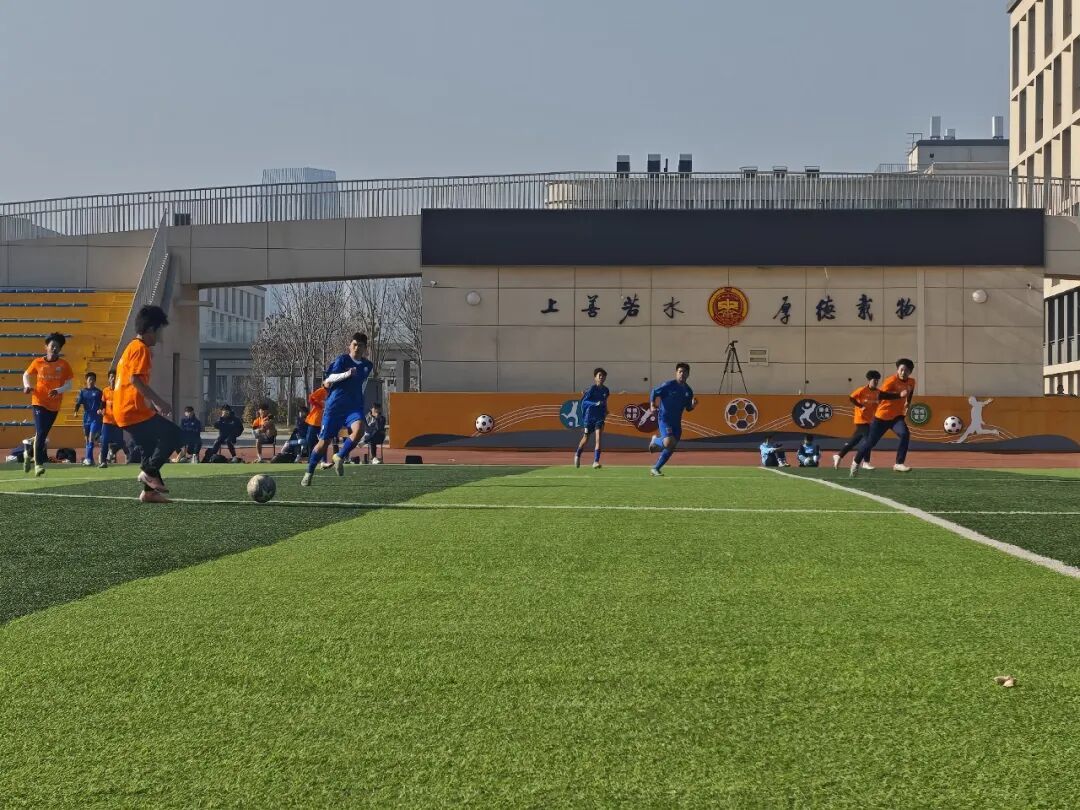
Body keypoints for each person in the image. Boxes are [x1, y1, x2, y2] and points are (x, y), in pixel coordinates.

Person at [113, 305, 185, 503]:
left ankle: (149, 493)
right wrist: (159, 402)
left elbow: (131, 383)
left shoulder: (131, 347)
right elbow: (135, 380)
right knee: (175, 434)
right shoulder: (141, 349)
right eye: (159, 331)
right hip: (131, 410)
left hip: (124, 411)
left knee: (149, 446)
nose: (160, 338)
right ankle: (149, 472)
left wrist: (150, 405)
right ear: (151, 329)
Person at [302, 332, 373, 487]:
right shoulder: (342, 360)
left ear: (365, 348)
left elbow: (361, 384)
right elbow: (329, 379)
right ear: (350, 346)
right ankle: (309, 472)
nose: (357, 348)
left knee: (359, 430)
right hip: (335, 407)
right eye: (354, 344)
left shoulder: (368, 365)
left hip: (353, 407)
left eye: (360, 345)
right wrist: (347, 374)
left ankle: (339, 456)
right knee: (323, 443)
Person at [851, 358, 916, 476]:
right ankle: (856, 462)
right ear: (897, 370)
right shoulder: (890, 381)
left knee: (905, 434)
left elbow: (910, 392)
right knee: (870, 443)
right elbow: (880, 395)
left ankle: (899, 463)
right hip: (882, 417)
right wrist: (899, 395)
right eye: (901, 370)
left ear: (910, 372)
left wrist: (908, 402)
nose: (903, 372)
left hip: (897, 417)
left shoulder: (912, 382)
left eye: (906, 370)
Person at [22, 332, 74, 476]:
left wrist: (58, 390)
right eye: (52, 346)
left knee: (42, 434)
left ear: (60, 349)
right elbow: (26, 374)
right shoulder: (38, 362)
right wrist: (27, 386)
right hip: (38, 401)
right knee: (41, 432)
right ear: (46, 347)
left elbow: (69, 385)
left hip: (54, 405)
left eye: (58, 346)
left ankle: (27, 452)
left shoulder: (64, 365)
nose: (55, 349)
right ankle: (38, 464)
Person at [646, 362, 697, 476]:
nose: (682, 374)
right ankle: (655, 441)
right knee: (669, 442)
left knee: (671, 446)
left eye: (684, 372)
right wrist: (652, 404)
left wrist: (693, 406)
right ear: (676, 373)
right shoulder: (668, 385)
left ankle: (656, 468)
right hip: (664, 419)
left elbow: (688, 408)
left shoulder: (688, 391)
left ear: (688, 374)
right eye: (680, 371)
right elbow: (654, 391)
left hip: (676, 422)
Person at [833, 370, 880, 471]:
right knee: (868, 440)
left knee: (854, 442)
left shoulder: (878, 392)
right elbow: (851, 398)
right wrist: (860, 406)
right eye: (874, 380)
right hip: (861, 420)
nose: (876, 382)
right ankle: (866, 462)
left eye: (877, 380)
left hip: (870, 420)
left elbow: (877, 405)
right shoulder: (862, 390)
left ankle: (839, 455)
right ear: (869, 380)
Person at [574, 368, 609, 469]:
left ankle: (596, 461)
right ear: (595, 377)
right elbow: (584, 402)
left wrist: (606, 410)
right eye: (599, 375)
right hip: (589, 417)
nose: (601, 377)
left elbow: (604, 401)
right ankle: (577, 454)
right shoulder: (592, 389)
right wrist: (595, 403)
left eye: (603, 376)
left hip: (599, 417)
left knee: (598, 438)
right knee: (586, 438)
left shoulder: (606, 390)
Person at [97, 368, 129, 468]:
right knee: (104, 441)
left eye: (115, 377)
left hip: (118, 421)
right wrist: (100, 410)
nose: (113, 379)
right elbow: (102, 403)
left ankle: (127, 454)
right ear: (108, 379)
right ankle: (103, 461)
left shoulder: (120, 391)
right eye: (111, 377)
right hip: (107, 421)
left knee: (120, 442)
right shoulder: (105, 391)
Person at [73, 371, 104, 466]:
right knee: (87, 439)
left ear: (95, 381)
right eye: (90, 379)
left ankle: (88, 459)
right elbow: (78, 403)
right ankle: (91, 459)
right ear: (86, 381)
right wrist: (75, 411)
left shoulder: (98, 392)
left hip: (96, 418)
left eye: (93, 379)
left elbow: (103, 403)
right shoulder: (83, 392)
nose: (91, 381)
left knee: (91, 437)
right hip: (86, 418)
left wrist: (100, 409)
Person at [303, 385, 329, 461]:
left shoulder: (333, 392)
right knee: (310, 441)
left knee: (323, 442)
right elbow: (311, 398)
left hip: (324, 423)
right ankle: (311, 459)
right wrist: (319, 403)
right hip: (314, 422)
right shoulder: (322, 390)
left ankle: (324, 461)